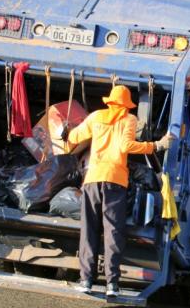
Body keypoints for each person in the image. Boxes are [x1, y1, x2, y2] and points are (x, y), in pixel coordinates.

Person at [67, 85, 173, 297]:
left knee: (89, 230)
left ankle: (86, 280)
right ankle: (112, 284)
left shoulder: (97, 116)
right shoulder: (129, 120)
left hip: (93, 178)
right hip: (115, 181)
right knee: (113, 231)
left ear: (110, 101)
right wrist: (156, 146)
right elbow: (126, 146)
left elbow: (74, 137)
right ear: (126, 105)